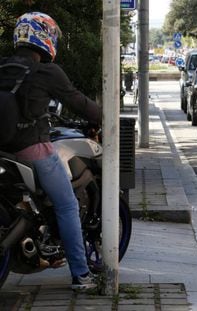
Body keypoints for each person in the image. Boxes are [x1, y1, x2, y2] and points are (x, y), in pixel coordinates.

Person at [3, 12, 101, 289]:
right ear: (45, 37)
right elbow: (80, 103)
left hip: (3, 151)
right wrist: (104, 117)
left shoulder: (3, 67)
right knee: (67, 205)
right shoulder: (46, 72)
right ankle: (81, 276)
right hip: (31, 149)